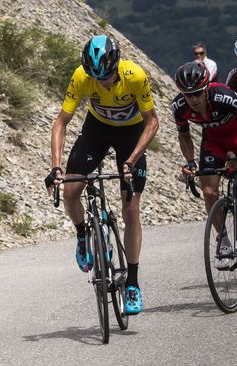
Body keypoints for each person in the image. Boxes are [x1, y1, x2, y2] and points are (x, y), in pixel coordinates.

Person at [44, 34, 159, 315]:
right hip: (97, 130)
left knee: (131, 210)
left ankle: (132, 283)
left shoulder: (135, 75)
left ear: (116, 65)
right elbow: (61, 123)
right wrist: (56, 166)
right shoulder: (82, 77)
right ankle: (83, 234)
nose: (103, 81)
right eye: (97, 77)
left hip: (131, 135)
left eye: (107, 75)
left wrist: (132, 160)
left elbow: (152, 121)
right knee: (70, 191)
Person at [172, 61, 237, 263]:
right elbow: (184, 136)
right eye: (187, 94)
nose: (193, 99)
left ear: (206, 88)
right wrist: (191, 162)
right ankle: (224, 241)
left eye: (197, 93)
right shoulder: (179, 107)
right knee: (209, 192)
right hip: (213, 142)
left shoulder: (224, 96)